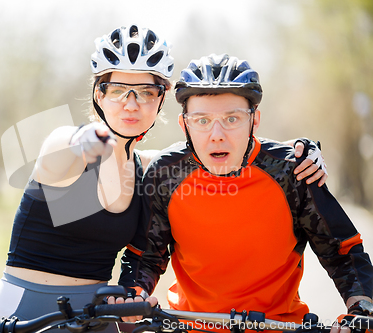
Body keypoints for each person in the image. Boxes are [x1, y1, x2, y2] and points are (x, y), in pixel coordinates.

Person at [0, 25, 325, 328]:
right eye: (118, 90)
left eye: (146, 92)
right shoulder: (66, 143)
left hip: (99, 312)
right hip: (29, 309)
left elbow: (217, 148)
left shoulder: (146, 166)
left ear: (160, 100)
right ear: (99, 94)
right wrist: (97, 138)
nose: (131, 104)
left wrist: (299, 151)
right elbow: (70, 147)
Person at [116, 54, 373, 331]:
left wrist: (361, 310)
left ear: (255, 120)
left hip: (278, 326)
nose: (216, 134)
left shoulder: (293, 172)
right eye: (202, 120)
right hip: (188, 325)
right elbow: (146, 254)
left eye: (232, 118)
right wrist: (134, 293)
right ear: (184, 125)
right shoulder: (165, 173)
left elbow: (342, 252)